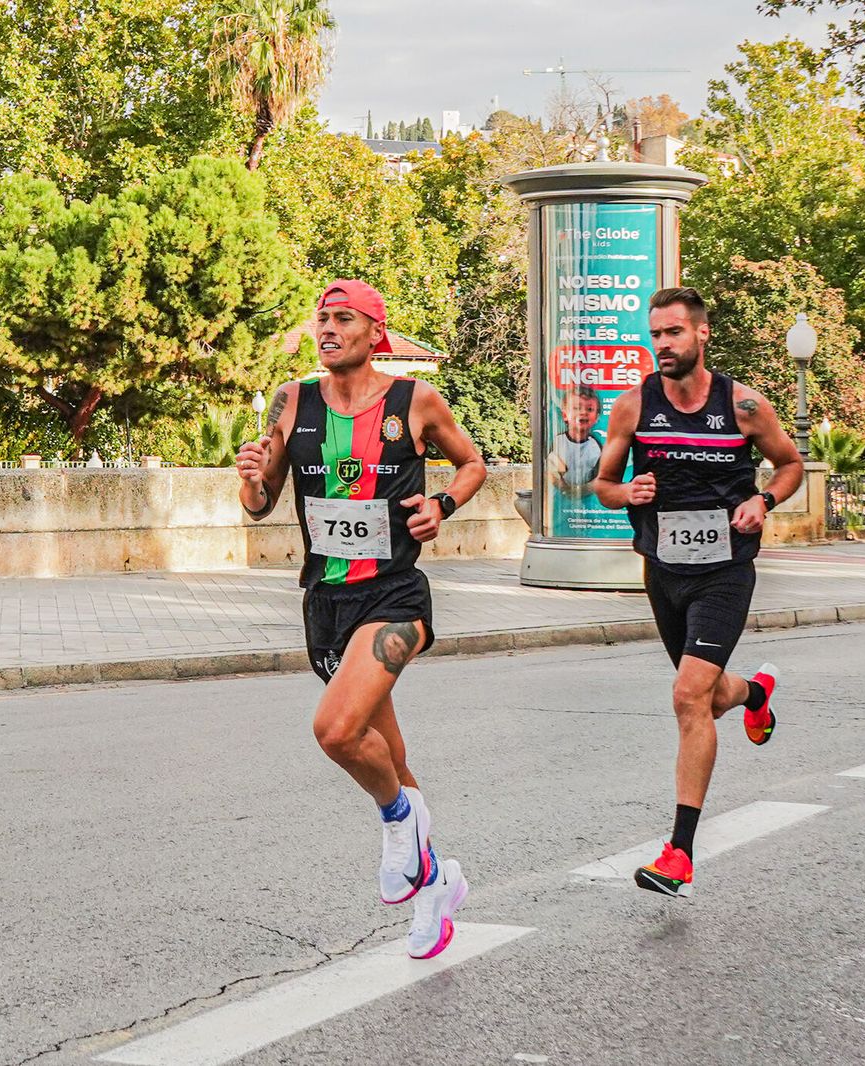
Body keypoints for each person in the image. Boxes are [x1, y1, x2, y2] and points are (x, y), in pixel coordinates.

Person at [235, 279, 487, 957]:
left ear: (377, 333)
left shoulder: (415, 400)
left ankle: (397, 823)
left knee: (337, 731)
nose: (327, 328)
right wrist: (252, 478)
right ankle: (436, 882)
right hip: (326, 602)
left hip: (394, 595)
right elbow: (259, 505)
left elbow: (471, 464)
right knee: (388, 754)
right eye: (321, 318)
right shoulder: (295, 400)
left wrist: (444, 506)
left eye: (343, 318)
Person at [592, 287, 804, 898]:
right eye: (655, 334)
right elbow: (604, 483)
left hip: (725, 569)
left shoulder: (743, 406)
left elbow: (788, 465)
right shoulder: (633, 407)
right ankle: (754, 692)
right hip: (663, 569)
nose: (661, 344)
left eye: (674, 333)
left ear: (702, 335)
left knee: (687, 696)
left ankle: (679, 853)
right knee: (707, 701)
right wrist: (625, 494)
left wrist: (761, 501)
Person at [546, 385, 604, 495]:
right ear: (564, 415)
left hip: (587, 498)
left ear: (596, 417)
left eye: (590, 409)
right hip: (561, 497)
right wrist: (565, 490)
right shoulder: (558, 442)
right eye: (576, 408)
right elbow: (551, 473)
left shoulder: (595, 447)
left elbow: (599, 478)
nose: (583, 412)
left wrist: (583, 491)